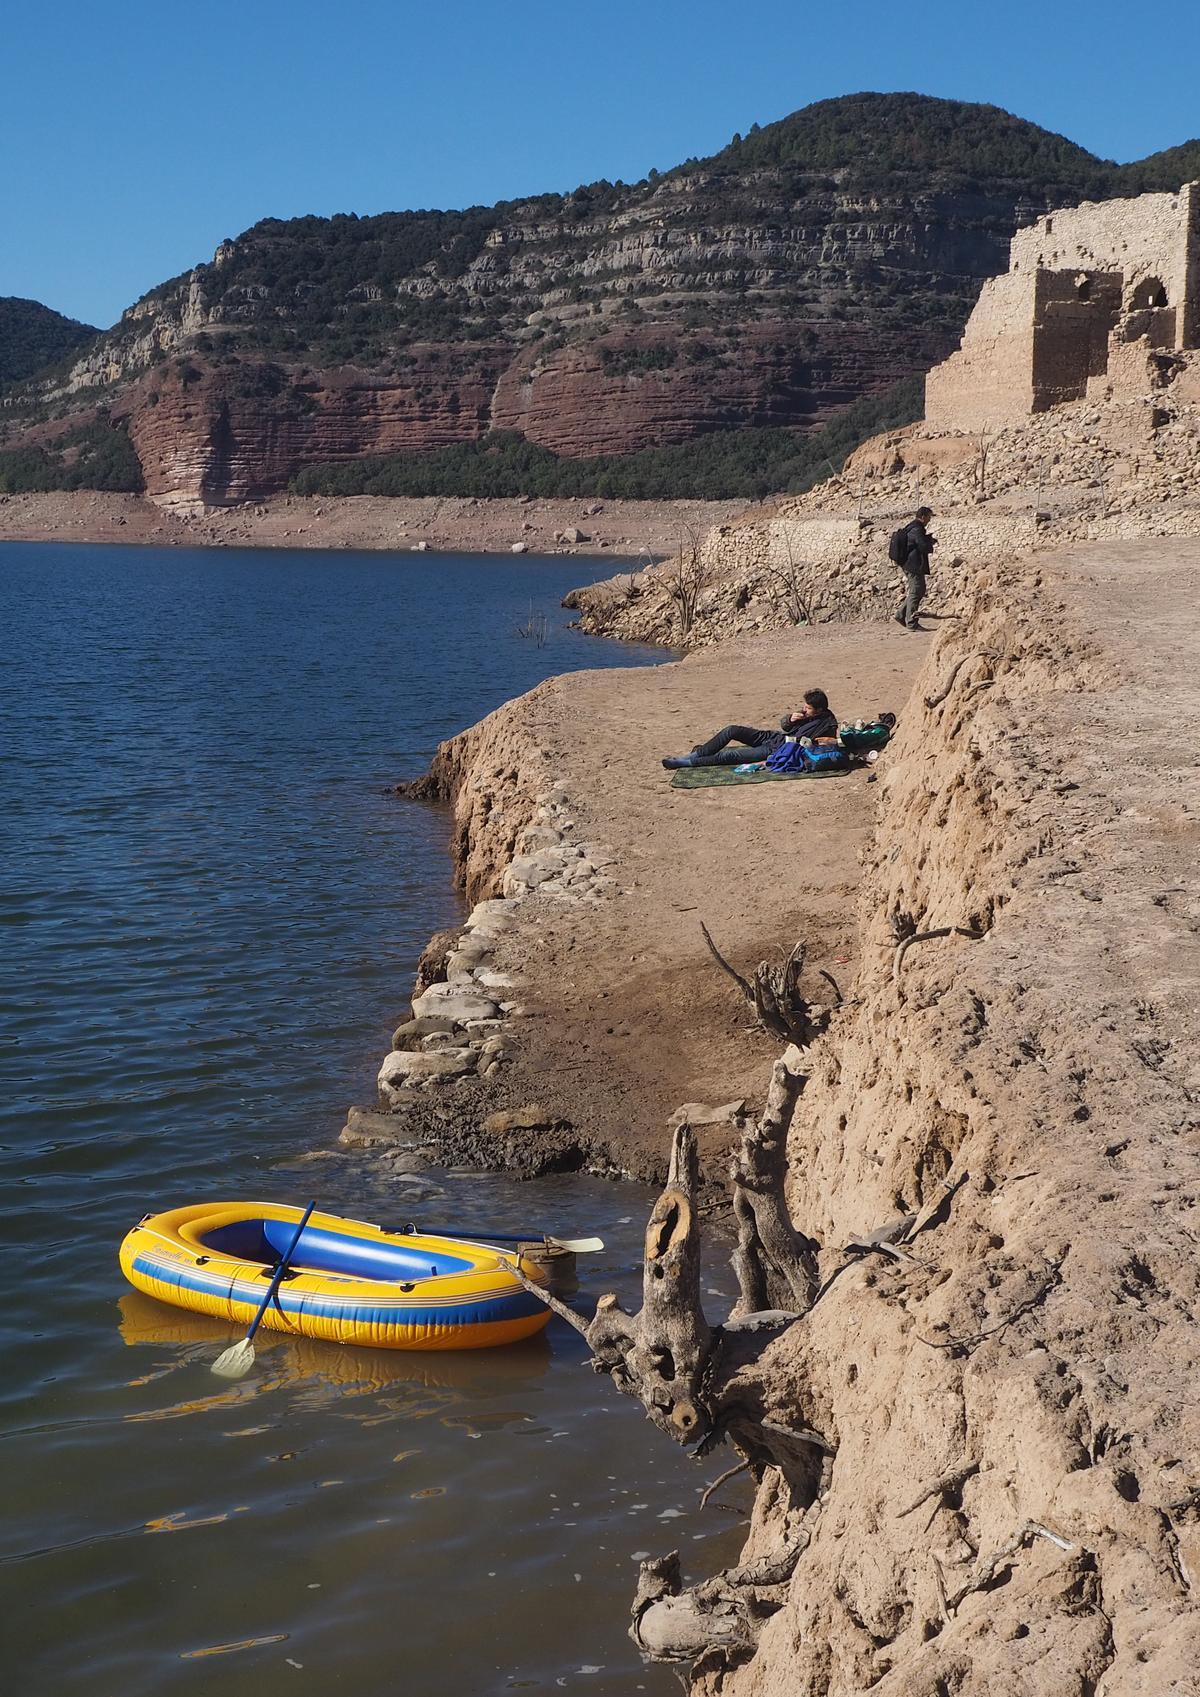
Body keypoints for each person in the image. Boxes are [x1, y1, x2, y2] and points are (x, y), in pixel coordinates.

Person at [662, 688, 837, 769]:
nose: (804, 709)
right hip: (774, 737)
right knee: (732, 730)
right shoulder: (805, 713)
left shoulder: (827, 723)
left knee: (729, 756)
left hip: (779, 749)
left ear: (819, 709)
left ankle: (685, 763)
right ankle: (693, 754)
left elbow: (824, 746)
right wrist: (790, 719)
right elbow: (784, 726)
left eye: (808, 708)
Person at [894, 506, 936, 631]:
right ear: (923, 517)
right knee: (916, 591)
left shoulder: (913, 527)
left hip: (910, 564)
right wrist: (930, 543)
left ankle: (901, 614)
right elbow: (921, 545)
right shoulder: (917, 529)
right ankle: (912, 622)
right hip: (913, 564)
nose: (929, 520)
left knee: (918, 590)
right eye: (929, 517)